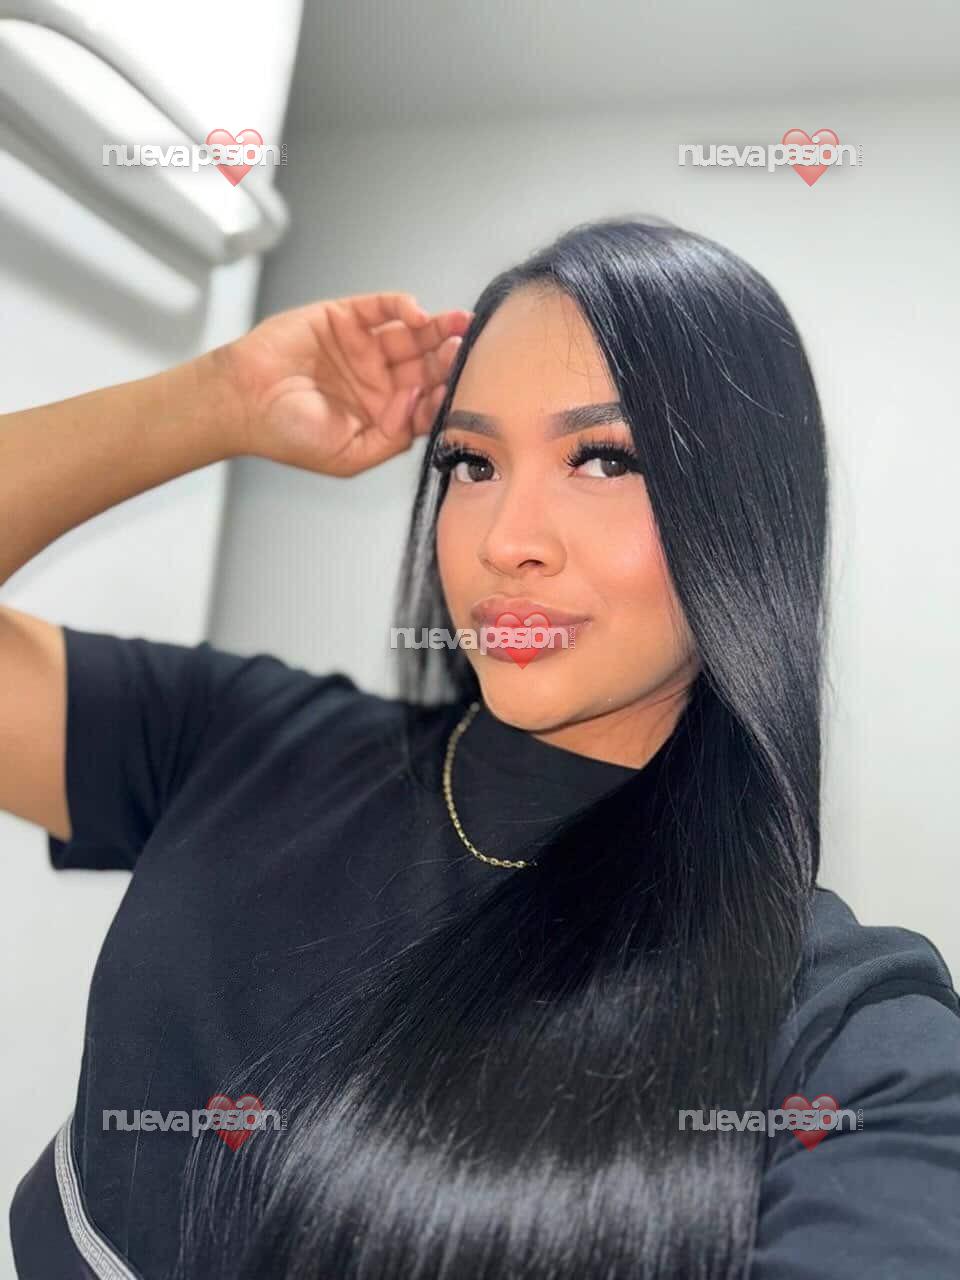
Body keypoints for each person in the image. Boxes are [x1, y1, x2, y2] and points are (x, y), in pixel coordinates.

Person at [3, 217, 958, 1280]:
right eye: (471, 461)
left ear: (745, 513)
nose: (507, 539)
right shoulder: (245, 741)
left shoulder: (839, 1033)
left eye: (603, 458)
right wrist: (218, 399)